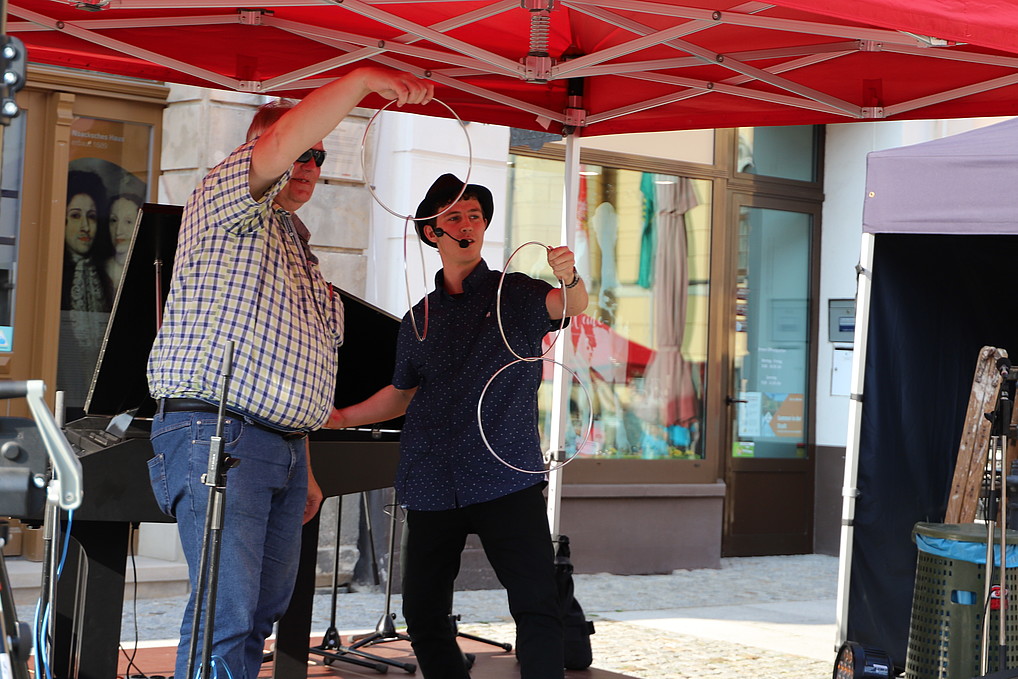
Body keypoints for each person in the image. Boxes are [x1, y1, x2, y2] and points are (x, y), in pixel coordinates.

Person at [145, 66, 433, 679]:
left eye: (319, 156)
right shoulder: (227, 202)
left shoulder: (302, 252)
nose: (307, 165)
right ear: (261, 153)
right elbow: (277, 145)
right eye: (299, 151)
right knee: (227, 610)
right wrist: (361, 81)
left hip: (278, 448)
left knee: (260, 612)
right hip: (219, 433)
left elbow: (303, 375)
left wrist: (303, 464)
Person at [327, 173, 589, 679]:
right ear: (432, 233)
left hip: (505, 477)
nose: (468, 224)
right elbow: (401, 395)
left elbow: (569, 307)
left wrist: (569, 276)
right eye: (454, 217)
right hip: (431, 482)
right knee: (422, 614)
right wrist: (341, 416)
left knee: (536, 605)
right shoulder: (417, 318)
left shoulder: (515, 292)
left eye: (474, 215)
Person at [62, 169, 112, 312]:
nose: (85, 227)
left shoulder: (106, 273)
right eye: (76, 216)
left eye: (91, 216)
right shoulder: (52, 272)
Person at [103, 192, 144, 300]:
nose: (118, 231)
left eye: (128, 222)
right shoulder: (99, 270)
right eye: (114, 220)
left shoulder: (145, 272)